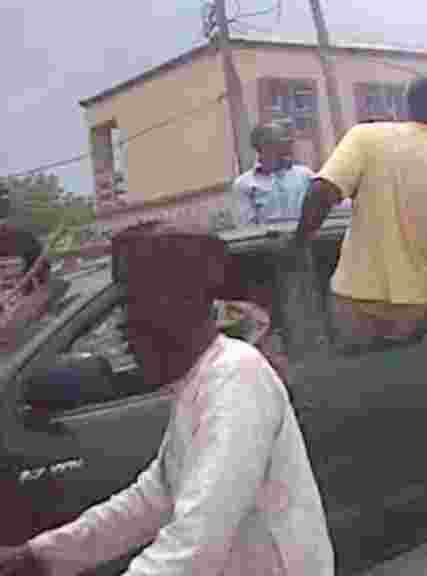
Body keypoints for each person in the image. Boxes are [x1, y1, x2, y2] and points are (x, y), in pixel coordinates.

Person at [0, 222, 333, 576]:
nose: (124, 331)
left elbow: (194, 543)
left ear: (180, 308)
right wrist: (39, 555)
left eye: (134, 310)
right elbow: (153, 497)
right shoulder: (198, 381)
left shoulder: (237, 380)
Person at [294, 75, 427, 345]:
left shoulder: (366, 137)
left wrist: (299, 243)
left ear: (409, 107)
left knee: (352, 381)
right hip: (413, 307)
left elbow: (320, 193)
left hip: (352, 298)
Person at [234, 122, 314, 226]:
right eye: (283, 138)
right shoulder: (244, 184)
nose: (290, 142)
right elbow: (247, 225)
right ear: (265, 145)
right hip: (269, 241)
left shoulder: (305, 175)